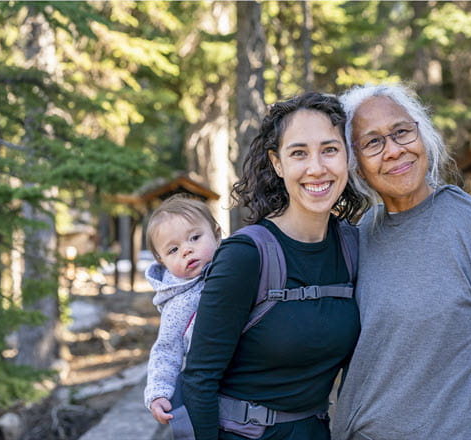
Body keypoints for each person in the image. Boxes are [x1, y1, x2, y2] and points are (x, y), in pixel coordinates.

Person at [332, 83, 471, 440]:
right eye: (372, 142)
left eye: (401, 132)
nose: (394, 151)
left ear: (422, 134)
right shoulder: (359, 234)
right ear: (356, 166)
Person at [181, 91, 368, 440]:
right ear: (277, 163)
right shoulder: (246, 255)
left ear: (347, 158)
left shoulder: (354, 247)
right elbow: (198, 379)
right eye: (299, 153)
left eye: (329, 149)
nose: (316, 168)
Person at [143, 194, 221, 428]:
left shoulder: (235, 269)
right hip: (213, 383)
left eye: (195, 238)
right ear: (162, 260)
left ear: (217, 235)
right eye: (173, 250)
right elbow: (166, 350)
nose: (187, 250)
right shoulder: (179, 303)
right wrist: (158, 393)